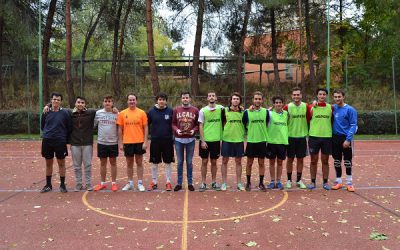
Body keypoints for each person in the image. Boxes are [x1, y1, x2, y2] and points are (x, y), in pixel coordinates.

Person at [40, 92, 72, 193]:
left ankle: (62, 185)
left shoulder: (65, 113)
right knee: (48, 163)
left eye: (58, 100)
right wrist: (47, 106)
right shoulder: (46, 112)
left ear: (61, 101)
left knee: (61, 163)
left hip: (60, 141)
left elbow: (69, 127)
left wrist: (64, 138)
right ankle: (48, 185)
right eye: (54, 99)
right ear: (51, 100)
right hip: (47, 140)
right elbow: (42, 126)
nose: (56, 101)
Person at [117, 93, 148, 192]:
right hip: (128, 142)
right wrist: (120, 143)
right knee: (129, 163)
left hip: (139, 141)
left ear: (136, 101)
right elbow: (120, 129)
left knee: (139, 162)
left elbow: (146, 127)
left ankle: (140, 183)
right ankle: (130, 183)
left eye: (133, 100)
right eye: (130, 100)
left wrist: (145, 141)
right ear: (127, 101)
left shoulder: (142, 113)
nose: (132, 101)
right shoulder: (122, 113)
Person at [283, 87, 311, 189]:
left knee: (300, 159)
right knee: (289, 159)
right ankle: (289, 180)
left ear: (301, 95)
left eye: (298, 94)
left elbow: (309, 119)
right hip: (290, 137)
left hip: (302, 137)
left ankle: (299, 180)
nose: (296, 96)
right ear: (291, 96)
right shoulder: (287, 107)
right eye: (294, 95)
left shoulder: (306, 106)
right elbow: (282, 119)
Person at [331, 89, 358, 192]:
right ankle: (338, 181)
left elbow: (353, 125)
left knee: (347, 161)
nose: (337, 98)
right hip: (335, 138)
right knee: (337, 160)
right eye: (335, 97)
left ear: (343, 97)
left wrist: (348, 139)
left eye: (339, 96)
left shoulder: (350, 110)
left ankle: (349, 183)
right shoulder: (333, 108)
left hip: (345, 138)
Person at [147, 92, 174, 191]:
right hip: (155, 141)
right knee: (154, 163)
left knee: (168, 162)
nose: (161, 101)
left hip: (168, 141)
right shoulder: (151, 112)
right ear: (157, 100)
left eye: (163, 99)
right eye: (159, 99)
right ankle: (154, 182)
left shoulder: (171, 111)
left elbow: (174, 124)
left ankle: (168, 182)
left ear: (166, 101)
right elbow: (146, 125)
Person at [172, 91, 199, 192]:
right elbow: (173, 123)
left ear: (190, 99)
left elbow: (197, 124)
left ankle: (190, 183)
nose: (185, 99)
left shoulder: (195, 110)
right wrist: (176, 130)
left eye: (187, 97)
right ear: (181, 99)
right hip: (179, 139)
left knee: (189, 162)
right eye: (183, 98)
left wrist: (194, 130)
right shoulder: (176, 110)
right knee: (179, 162)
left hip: (190, 139)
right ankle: (179, 183)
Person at [242, 91, 269, 192]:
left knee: (261, 163)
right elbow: (244, 124)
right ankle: (248, 182)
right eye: (256, 99)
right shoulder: (247, 112)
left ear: (262, 100)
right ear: (253, 100)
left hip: (262, 140)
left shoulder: (266, 112)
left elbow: (267, 123)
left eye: (259, 99)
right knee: (249, 163)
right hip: (251, 141)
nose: (257, 100)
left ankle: (261, 183)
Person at [308, 88, 334, 190]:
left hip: (327, 137)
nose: (322, 96)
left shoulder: (331, 108)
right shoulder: (311, 107)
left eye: (324, 94)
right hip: (314, 137)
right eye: (320, 94)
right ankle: (313, 182)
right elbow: (307, 119)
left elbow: (333, 120)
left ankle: (325, 182)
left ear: (326, 96)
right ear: (317, 96)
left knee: (325, 161)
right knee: (313, 160)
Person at [70, 96, 97, 191]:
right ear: (75, 103)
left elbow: (104, 109)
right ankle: (78, 184)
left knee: (88, 164)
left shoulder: (91, 113)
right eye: (78, 102)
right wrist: (48, 105)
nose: (80, 104)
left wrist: (113, 108)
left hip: (87, 144)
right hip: (75, 144)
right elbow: (58, 107)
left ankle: (88, 184)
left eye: (82, 102)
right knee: (77, 166)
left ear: (85, 104)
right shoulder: (70, 113)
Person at [198, 91, 223, 192]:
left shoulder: (221, 109)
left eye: (213, 96)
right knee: (204, 161)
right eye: (210, 96)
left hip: (216, 140)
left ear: (216, 98)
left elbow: (233, 109)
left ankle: (213, 182)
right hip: (205, 140)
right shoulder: (203, 110)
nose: (211, 97)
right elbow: (200, 125)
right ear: (207, 98)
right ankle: (203, 182)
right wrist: (203, 141)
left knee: (214, 161)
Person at [93, 95, 119, 192]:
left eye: (109, 101)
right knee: (103, 163)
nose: (107, 103)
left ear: (112, 103)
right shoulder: (98, 113)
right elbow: (93, 125)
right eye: (105, 101)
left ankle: (114, 183)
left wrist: (118, 113)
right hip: (101, 142)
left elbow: (121, 125)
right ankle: (102, 183)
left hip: (113, 143)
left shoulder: (116, 113)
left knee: (113, 163)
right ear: (103, 103)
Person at [221, 92, 245, 191]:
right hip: (227, 139)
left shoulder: (243, 112)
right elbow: (222, 123)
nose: (235, 100)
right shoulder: (224, 111)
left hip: (239, 139)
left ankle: (239, 183)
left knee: (238, 161)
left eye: (237, 99)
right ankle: (224, 183)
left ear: (240, 101)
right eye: (234, 98)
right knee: (224, 161)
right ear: (231, 100)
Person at [266, 96, 289, 190]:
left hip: (282, 141)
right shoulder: (269, 114)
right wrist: (268, 110)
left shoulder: (286, 114)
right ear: (274, 104)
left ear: (283, 104)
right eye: (276, 102)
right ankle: (272, 181)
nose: (278, 104)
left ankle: (278, 181)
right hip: (272, 141)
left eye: (280, 102)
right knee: (271, 162)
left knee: (280, 162)